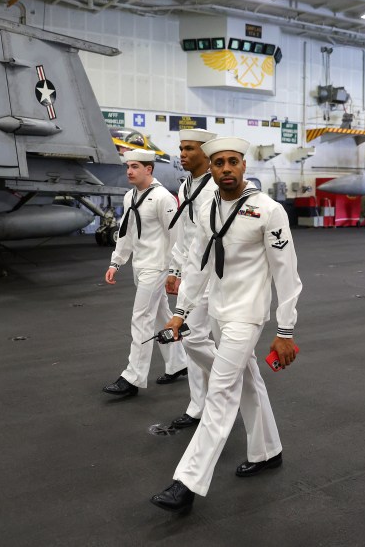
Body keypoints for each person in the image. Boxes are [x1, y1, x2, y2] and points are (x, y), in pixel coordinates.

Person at [149, 137, 303, 513]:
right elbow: (198, 265)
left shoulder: (268, 211)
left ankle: (186, 482)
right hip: (218, 311)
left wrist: (285, 330)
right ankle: (268, 452)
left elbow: (287, 275)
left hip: (246, 316)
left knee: (220, 393)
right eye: (219, 163)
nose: (226, 169)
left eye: (233, 162)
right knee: (249, 381)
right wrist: (181, 311)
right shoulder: (208, 210)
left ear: (244, 166)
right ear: (212, 167)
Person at [102, 149, 188, 397]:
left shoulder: (163, 198)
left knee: (141, 319)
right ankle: (178, 363)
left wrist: (175, 271)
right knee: (162, 315)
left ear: (149, 169)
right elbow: (125, 232)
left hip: (157, 267)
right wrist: (116, 262)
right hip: (139, 266)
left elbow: (177, 237)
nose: (129, 171)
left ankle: (133, 377)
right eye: (128, 166)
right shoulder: (130, 196)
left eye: (135, 166)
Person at [163, 128, 218, 429]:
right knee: (191, 338)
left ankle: (226, 384)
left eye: (189, 148)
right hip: (193, 274)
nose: (182, 154)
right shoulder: (186, 187)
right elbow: (183, 235)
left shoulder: (215, 189)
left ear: (206, 153)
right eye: (181, 148)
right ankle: (200, 404)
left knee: (194, 336)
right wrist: (175, 270)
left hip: (214, 275)